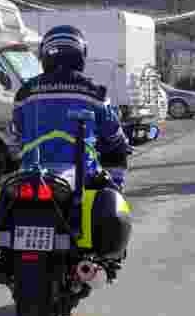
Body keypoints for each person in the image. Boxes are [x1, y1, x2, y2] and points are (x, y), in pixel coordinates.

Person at [12, 24, 132, 192]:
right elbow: (113, 136)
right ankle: (116, 190)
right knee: (117, 147)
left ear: (45, 55)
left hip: (31, 179)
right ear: (80, 54)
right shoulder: (93, 91)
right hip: (81, 179)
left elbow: (17, 135)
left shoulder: (24, 92)